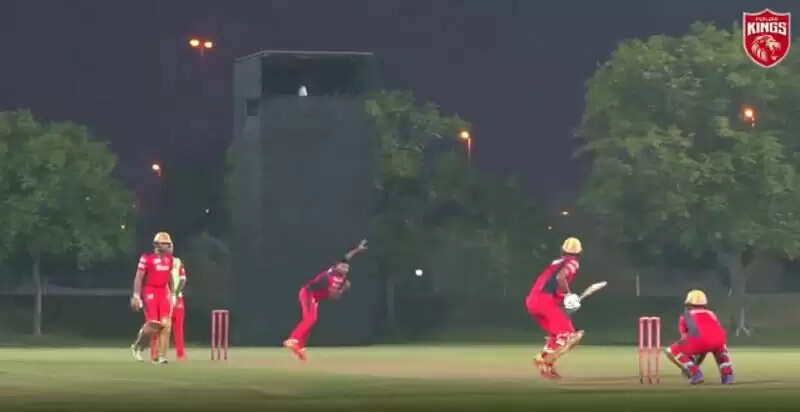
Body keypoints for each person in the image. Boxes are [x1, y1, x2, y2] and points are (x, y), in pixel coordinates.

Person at [283, 239, 368, 361]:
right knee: (310, 319)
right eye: (343, 265)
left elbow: (346, 257)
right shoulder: (329, 276)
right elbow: (333, 296)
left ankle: (300, 348)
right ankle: (293, 339)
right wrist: (343, 289)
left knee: (311, 320)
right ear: (336, 267)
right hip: (308, 293)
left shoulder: (342, 276)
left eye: (347, 266)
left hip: (315, 298)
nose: (346, 267)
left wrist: (357, 250)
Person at [525, 237, 585, 379]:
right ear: (579, 253)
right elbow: (560, 277)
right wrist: (569, 295)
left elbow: (552, 285)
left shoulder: (556, 263)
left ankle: (546, 367)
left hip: (533, 301)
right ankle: (541, 358)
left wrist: (565, 299)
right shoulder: (573, 263)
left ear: (563, 250)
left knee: (556, 336)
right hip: (544, 300)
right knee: (569, 336)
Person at [665, 290, 735, 385]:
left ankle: (695, 374)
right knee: (720, 348)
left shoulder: (685, 315)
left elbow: (685, 339)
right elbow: (709, 338)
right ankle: (728, 375)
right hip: (719, 338)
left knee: (671, 350)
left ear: (688, 303)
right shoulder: (711, 313)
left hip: (699, 340)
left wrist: (691, 366)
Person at [129, 232, 177, 364]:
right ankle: (137, 346)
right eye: (165, 244)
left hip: (163, 292)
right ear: (157, 245)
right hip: (150, 290)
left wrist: (173, 293)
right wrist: (136, 295)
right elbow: (139, 277)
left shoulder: (169, 259)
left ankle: (161, 356)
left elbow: (169, 277)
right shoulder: (147, 258)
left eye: (168, 244)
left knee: (166, 324)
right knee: (153, 325)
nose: (168, 246)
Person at [149, 242, 188, 361]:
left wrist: (175, 293)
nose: (170, 249)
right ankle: (155, 353)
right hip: (163, 297)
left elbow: (183, 279)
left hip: (175, 298)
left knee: (177, 327)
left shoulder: (177, 261)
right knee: (157, 326)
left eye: (171, 246)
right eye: (168, 246)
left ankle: (180, 354)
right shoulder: (154, 261)